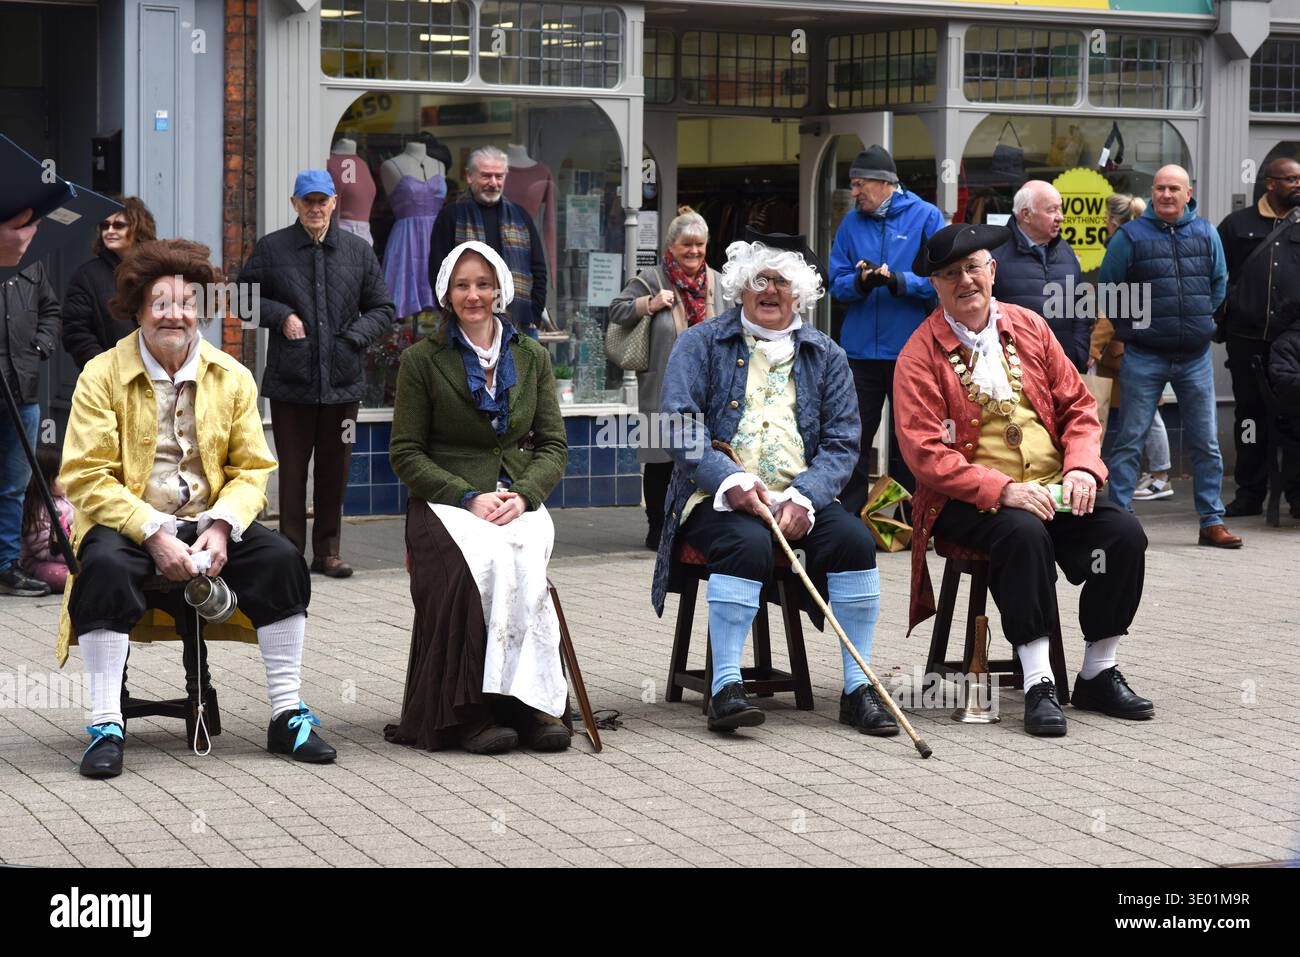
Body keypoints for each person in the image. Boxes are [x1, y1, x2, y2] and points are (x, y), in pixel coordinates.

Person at [59, 239, 335, 779]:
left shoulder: (231, 375)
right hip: (126, 518)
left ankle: (287, 715)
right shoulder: (101, 374)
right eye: (159, 302)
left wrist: (223, 527)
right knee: (107, 568)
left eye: (187, 302)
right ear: (138, 309)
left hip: (210, 519)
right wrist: (153, 532)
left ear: (202, 310)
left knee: (282, 559)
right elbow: (86, 475)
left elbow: (253, 468)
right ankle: (105, 724)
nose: (174, 313)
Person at [894, 223, 1152, 737]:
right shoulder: (919, 354)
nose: (964, 281)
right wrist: (1002, 490)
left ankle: (1098, 670)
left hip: (1055, 486)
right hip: (970, 504)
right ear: (936, 286)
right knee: (1023, 532)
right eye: (950, 274)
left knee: (1123, 535)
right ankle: (1038, 682)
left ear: (992, 271)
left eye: (973, 268)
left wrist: (1081, 467)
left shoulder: (1030, 326)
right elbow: (925, 454)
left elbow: (1079, 407)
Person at [652, 233, 893, 736]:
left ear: (799, 293)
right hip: (714, 496)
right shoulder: (699, 342)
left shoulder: (827, 355)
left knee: (852, 540)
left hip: (798, 496)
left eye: (782, 281)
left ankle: (858, 687)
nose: (770, 290)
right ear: (740, 286)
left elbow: (844, 442)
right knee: (746, 541)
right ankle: (725, 688)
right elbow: (677, 424)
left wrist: (806, 496)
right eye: (759, 279)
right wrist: (731, 480)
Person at [386, 241, 569, 754]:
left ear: (500, 291)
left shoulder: (532, 357)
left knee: (525, 561)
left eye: (483, 284)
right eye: (463, 285)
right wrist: (466, 496)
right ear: (447, 292)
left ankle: (532, 705)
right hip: (443, 500)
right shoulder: (422, 360)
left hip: (516, 494)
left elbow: (553, 445)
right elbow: (405, 452)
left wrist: (526, 495)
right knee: (478, 568)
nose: (474, 295)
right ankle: (469, 712)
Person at [238, 169, 395, 578]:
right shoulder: (273, 249)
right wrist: (282, 314)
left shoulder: (358, 252)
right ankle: (290, 553)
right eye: (307, 201)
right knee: (291, 471)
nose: (315, 208)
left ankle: (327, 552)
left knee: (335, 469)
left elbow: (383, 308)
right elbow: (242, 299)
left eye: (321, 200)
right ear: (295, 204)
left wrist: (353, 339)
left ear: (333, 203)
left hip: (343, 385)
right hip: (292, 383)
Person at [1099, 165, 1240, 548]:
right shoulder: (1131, 236)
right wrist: (1130, 331)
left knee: (1206, 441)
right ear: (1153, 192)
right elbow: (1109, 288)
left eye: (1173, 188)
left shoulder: (1206, 232)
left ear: (1187, 192)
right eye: (1160, 188)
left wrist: (1201, 320)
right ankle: (1120, 522)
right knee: (1130, 439)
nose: (1165, 195)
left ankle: (1211, 522)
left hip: (1194, 356)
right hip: (1144, 355)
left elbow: (1219, 281)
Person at [829, 145, 947, 516]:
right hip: (859, 353)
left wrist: (898, 281)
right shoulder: (850, 223)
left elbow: (940, 279)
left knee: (908, 441)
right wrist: (862, 282)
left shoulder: (927, 217)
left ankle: (911, 520)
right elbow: (836, 282)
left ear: (885, 184)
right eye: (852, 185)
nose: (855, 193)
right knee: (853, 438)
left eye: (860, 184)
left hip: (909, 352)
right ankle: (847, 519)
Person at [609, 206, 725, 550]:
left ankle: (693, 526)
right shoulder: (651, 278)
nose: (694, 251)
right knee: (661, 460)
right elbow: (616, 310)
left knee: (702, 456)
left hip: (708, 388)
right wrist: (649, 303)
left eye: (700, 245)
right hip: (660, 385)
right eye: (686, 244)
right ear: (671, 247)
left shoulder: (717, 282)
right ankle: (657, 528)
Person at [1217, 156, 1300, 519]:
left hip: (1294, 343)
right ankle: (1250, 493)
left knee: (1295, 421)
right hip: (1246, 340)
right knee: (1249, 419)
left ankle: (1296, 496)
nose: (1299, 185)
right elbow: (1216, 276)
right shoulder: (1237, 225)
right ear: (1270, 183)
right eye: (1292, 179)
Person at [1089, 193, 1173, 500]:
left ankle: (1161, 475)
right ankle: (1153, 474)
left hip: (1122, 349)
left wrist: (1093, 349)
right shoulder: (1143, 243)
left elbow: (1111, 307)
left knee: (1144, 414)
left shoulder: (1122, 246)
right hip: (1132, 346)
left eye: (1105, 220)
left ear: (1113, 221)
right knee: (1140, 414)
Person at [428, 146, 548, 338]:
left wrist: (534, 313)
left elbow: (538, 268)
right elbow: (437, 272)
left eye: (499, 176)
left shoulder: (520, 217)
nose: (493, 183)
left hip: (520, 323)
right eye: (486, 176)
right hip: (465, 324)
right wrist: (449, 315)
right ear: (469, 176)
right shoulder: (451, 216)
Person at [0, 253, 60, 597]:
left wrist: (41, 344)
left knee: (15, 485)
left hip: (23, 390)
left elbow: (50, 310)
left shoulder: (32, 263)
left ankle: (7, 565)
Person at [990, 180, 1088, 371]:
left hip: (1064, 366)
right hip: (1014, 372)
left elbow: (1081, 306)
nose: (1060, 217)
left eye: (1060, 209)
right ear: (1026, 214)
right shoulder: (994, 253)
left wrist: (1079, 352)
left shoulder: (1065, 250)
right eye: (1052, 210)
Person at [62, 197, 158, 369]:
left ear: (139, 228)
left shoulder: (158, 271)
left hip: (158, 372)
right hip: (111, 377)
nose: (109, 231)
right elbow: (76, 331)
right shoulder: (86, 275)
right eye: (105, 225)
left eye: (119, 225)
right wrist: (105, 369)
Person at [20, 444, 74, 593]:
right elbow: (43, 549)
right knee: (62, 576)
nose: (67, 478)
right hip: (41, 561)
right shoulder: (38, 509)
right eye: (60, 474)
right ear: (43, 479)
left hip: (70, 554)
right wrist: (73, 557)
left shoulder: (68, 498)